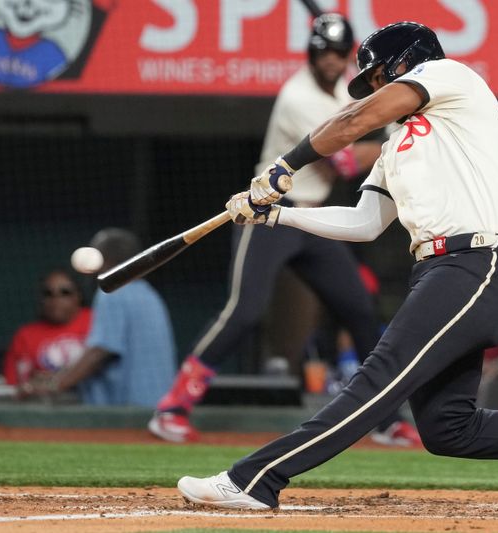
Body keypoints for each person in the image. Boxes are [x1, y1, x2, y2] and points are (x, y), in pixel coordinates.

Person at [174, 21, 498, 515]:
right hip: (439, 271)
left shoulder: (453, 77)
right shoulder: (396, 148)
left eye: (377, 75)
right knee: (448, 428)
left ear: (405, 62)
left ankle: (255, 479)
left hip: (476, 263)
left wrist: (285, 167)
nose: (375, 87)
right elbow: (363, 222)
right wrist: (278, 215)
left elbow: (354, 119)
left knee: (377, 379)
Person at [148, 13, 420, 447]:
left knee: (358, 309)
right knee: (245, 310)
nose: (330, 61)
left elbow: (370, 122)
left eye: (336, 53)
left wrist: (385, 116)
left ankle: (386, 418)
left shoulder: (352, 85)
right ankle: (172, 407)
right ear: (310, 54)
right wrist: (391, 129)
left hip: (315, 217)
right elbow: (346, 161)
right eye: (322, 53)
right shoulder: (299, 98)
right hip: (269, 212)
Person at [26, 228, 176, 407]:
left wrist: (55, 384)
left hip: (131, 413)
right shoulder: (149, 294)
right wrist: (61, 375)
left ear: (103, 258)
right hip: (160, 408)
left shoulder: (113, 290)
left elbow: (99, 353)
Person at [3, 269, 91, 397]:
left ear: (78, 296)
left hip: (90, 402)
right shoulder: (26, 335)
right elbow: (15, 385)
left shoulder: (96, 321)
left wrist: (59, 378)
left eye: (65, 292)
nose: (56, 298)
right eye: (48, 293)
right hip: (46, 407)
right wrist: (33, 382)